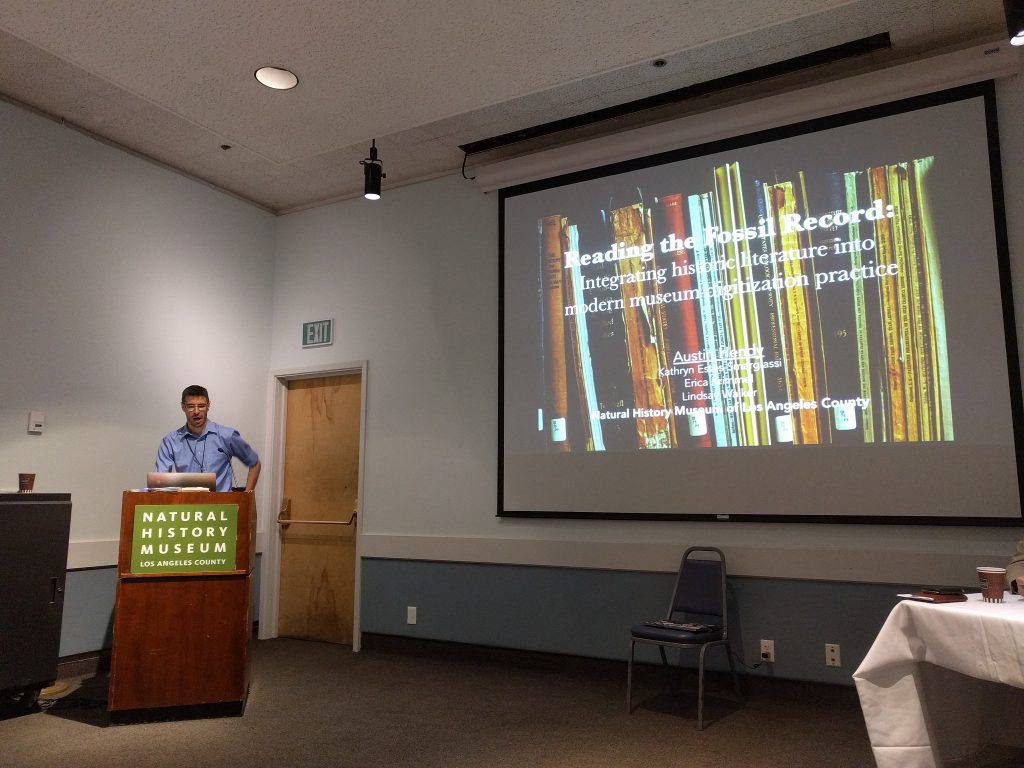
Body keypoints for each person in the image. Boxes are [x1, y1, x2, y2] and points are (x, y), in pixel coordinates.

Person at [155, 385, 261, 492]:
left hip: (222, 506)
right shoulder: (170, 441)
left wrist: (247, 497)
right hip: (187, 506)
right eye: (191, 406)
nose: (196, 411)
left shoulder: (227, 435)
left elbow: (255, 463)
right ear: (183, 407)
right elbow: (160, 482)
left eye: (201, 406)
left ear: (208, 405)